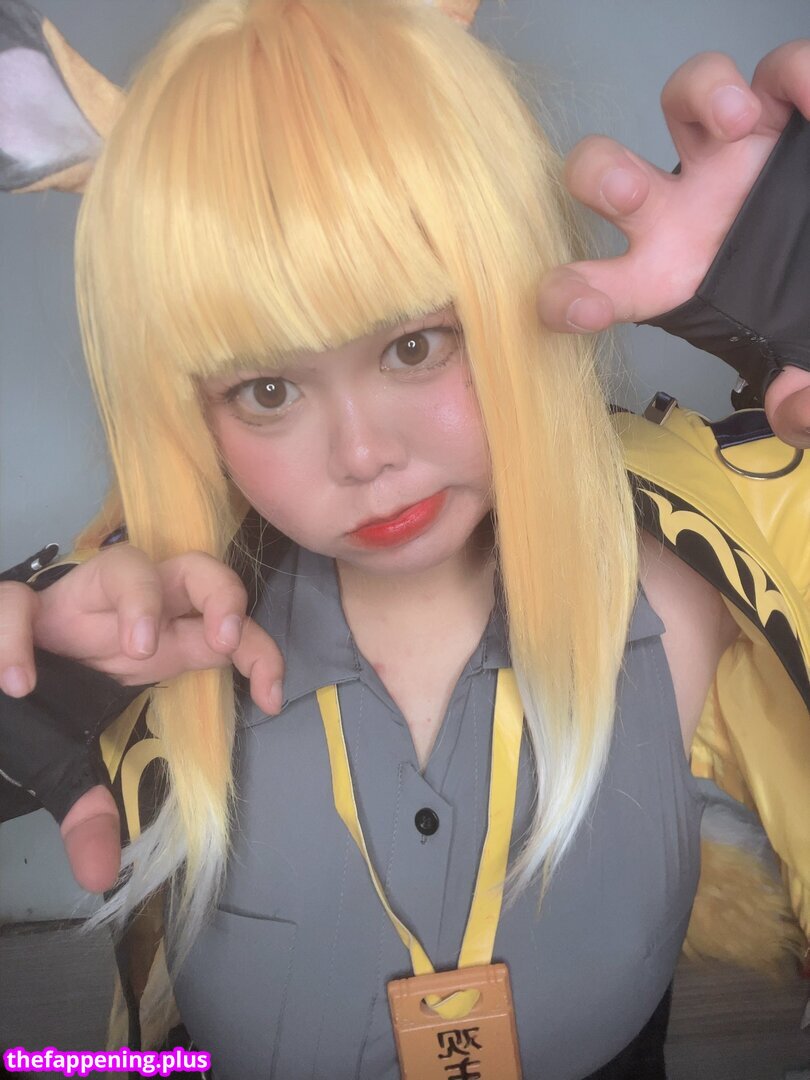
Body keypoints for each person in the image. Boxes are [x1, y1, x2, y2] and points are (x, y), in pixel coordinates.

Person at [0, 2, 808, 1077]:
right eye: (267, 389)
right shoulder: (150, 636)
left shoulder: (686, 579)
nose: (363, 453)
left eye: (417, 345)